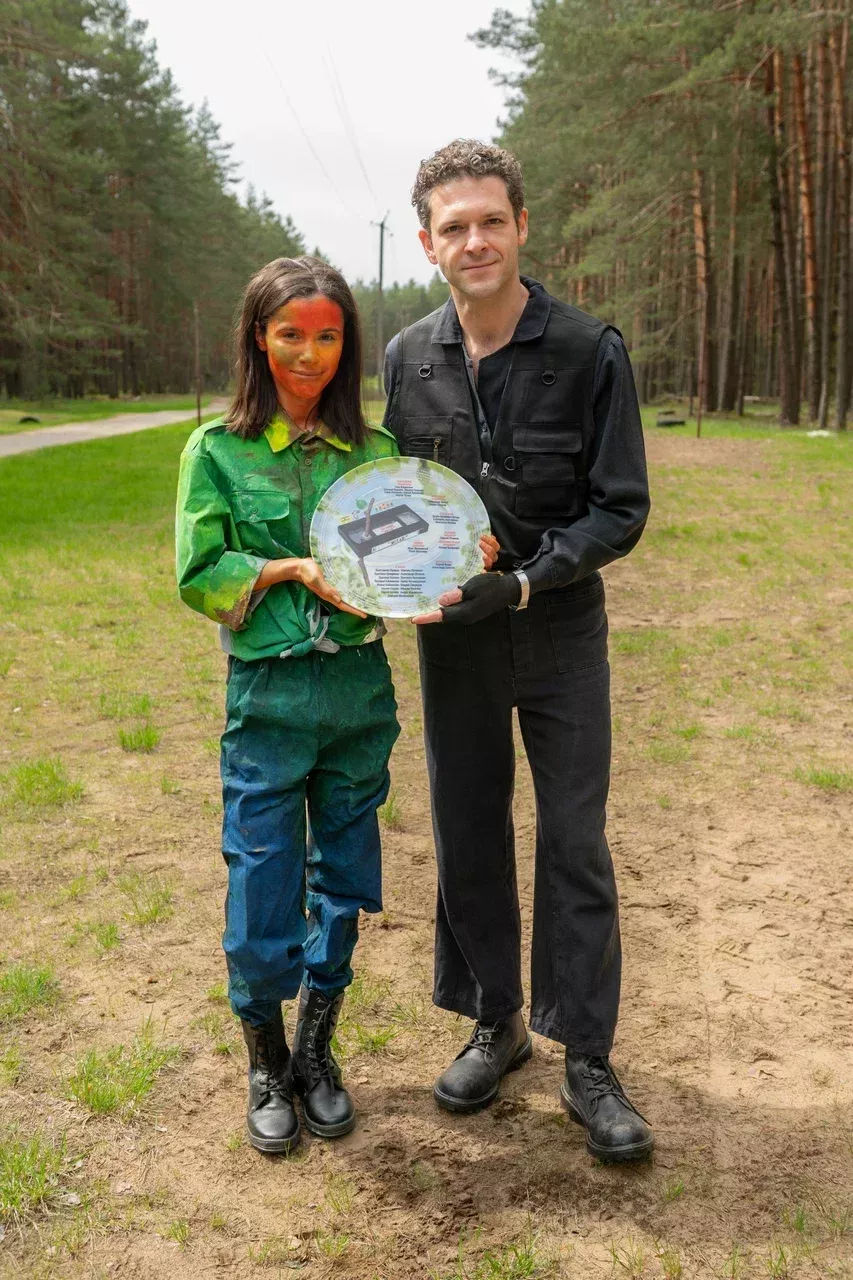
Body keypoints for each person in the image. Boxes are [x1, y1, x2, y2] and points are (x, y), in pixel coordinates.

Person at [383, 141, 654, 1162]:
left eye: (490, 220)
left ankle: (587, 1054)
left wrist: (532, 578)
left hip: (559, 631)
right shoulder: (406, 357)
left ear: (521, 226)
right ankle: (493, 1022)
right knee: (466, 828)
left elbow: (619, 508)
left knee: (573, 837)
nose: (475, 240)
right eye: (453, 226)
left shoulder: (588, 350)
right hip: (454, 640)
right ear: (428, 244)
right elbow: (401, 499)